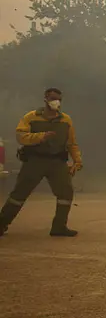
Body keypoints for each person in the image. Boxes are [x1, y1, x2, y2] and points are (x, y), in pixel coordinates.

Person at [0, 88, 83, 237]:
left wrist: (77, 160)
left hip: (57, 161)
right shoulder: (31, 117)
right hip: (34, 161)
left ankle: (59, 227)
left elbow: (71, 143)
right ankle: (2, 223)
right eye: (53, 98)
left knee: (66, 192)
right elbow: (21, 136)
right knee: (19, 193)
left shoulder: (66, 120)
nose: (56, 102)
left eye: (59, 99)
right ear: (45, 99)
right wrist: (41, 136)